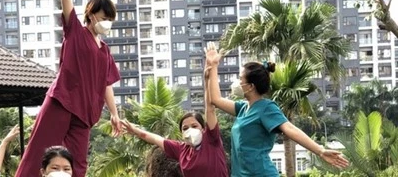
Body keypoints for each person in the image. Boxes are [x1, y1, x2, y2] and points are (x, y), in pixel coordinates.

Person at [15, 0, 122, 177]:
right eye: (104, 17)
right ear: (91, 15)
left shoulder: (104, 50)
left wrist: (114, 113)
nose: (107, 23)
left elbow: (106, 84)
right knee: (39, 154)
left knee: (77, 165)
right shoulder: (75, 31)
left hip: (86, 113)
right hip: (62, 102)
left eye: (111, 19)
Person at [205, 42, 349, 177]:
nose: (238, 82)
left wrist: (320, 151)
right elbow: (216, 100)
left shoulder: (266, 107)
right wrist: (213, 65)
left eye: (240, 78)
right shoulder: (242, 108)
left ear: (251, 86)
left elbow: (290, 129)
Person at [121, 46, 229, 177]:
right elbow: (155, 138)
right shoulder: (181, 149)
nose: (190, 129)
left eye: (194, 126)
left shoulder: (211, 139)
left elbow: (210, 108)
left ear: (203, 128)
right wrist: (134, 131)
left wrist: (209, 75)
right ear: (181, 132)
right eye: (185, 128)